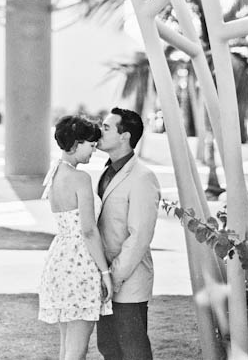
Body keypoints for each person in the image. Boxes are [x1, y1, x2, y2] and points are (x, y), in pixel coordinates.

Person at [38, 114, 113, 360]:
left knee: (67, 350)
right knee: (76, 351)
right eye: (91, 145)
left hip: (59, 261)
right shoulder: (81, 178)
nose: (94, 150)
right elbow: (89, 230)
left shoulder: (55, 172)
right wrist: (105, 273)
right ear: (77, 143)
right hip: (80, 265)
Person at [96, 107, 161, 360]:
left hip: (128, 280)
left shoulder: (143, 177)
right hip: (106, 280)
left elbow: (139, 237)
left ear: (125, 136)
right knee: (108, 347)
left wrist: (114, 277)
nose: (99, 131)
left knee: (133, 352)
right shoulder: (106, 171)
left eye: (107, 127)